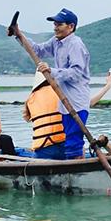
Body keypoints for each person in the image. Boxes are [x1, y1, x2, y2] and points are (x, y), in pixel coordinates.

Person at [24, 8, 92, 159]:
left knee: (73, 141)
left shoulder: (75, 44)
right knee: (69, 139)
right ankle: (73, 167)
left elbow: (76, 73)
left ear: (71, 26)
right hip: (64, 103)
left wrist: (52, 71)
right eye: (54, 24)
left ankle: (76, 171)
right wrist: (19, 35)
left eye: (59, 24)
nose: (55, 27)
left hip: (76, 101)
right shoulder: (56, 41)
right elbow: (38, 50)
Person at [23, 69, 111, 159]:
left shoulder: (30, 99)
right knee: (85, 149)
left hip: (41, 151)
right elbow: (88, 104)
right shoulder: (62, 92)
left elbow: (27, 117)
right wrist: (108, 85)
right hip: (64, 147)